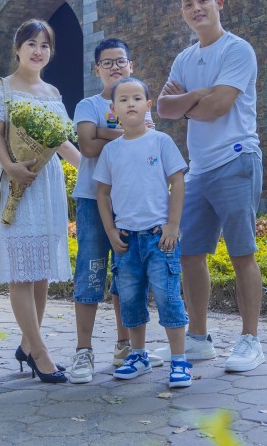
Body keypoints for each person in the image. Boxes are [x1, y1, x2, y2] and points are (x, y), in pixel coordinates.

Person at [157, 0, 265, 373]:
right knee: (188, 254)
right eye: (188, 4)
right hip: (198, 169)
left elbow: (219, 105)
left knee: (242, 253)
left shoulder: (238, 50)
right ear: (183, 13)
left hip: (236, 159)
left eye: (202, 0)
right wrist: (195, 98)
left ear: (219, 2)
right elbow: (163, 108)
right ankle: (199, 340)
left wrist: (190, 99)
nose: (196, 8)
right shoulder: (184, 59)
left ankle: (250, 340)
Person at [0, 19, 77, 384]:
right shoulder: (1, 89)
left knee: (40, 273)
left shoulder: (53, 93)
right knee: (22, 272)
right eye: (31, 44)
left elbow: (63, 143)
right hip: (17, 183)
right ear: (17, 48)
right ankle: (40, 353)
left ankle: (27, 343)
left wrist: (93, 169)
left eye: (45, 45)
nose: (38, 51)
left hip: (48, 184)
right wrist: (11, 168)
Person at [67, 38, 161, 383]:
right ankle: (83, 351)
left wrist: (106, 132)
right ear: (97, 70)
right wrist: (120, 130)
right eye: (107, 63)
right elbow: (87, 146)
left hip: (130, 202)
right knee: (91, 271)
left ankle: (126, 346)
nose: (115, 68)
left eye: (120, 61)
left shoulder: (139, 100)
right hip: (93, 200)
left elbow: (145, 141)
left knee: (128, 274)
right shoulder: (87, 105)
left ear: (131, 65)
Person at [95, 77, 192, 388]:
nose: (131, 104)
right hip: (125, 240)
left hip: (158, 237)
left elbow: (177, 182)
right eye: (123, 100)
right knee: (131, 300)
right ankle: (138, 355)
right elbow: (102, 193)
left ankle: (179, 360)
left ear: (149, 106)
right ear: (114, 111)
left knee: (168, 298)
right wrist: (110, 229)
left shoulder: (160, 141)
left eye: (137, 98)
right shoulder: (111, 151)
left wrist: (173, 225)